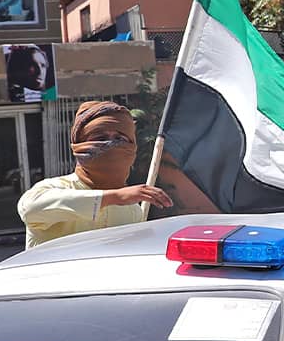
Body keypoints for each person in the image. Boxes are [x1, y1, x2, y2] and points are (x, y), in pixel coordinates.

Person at [18, 101, 173, 248]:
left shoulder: (132, 210)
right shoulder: (52, 188)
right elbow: (30, 210)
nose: (111, 145)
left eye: (120, 138)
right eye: (100, 138)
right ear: (79, 146)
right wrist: (114, 197)